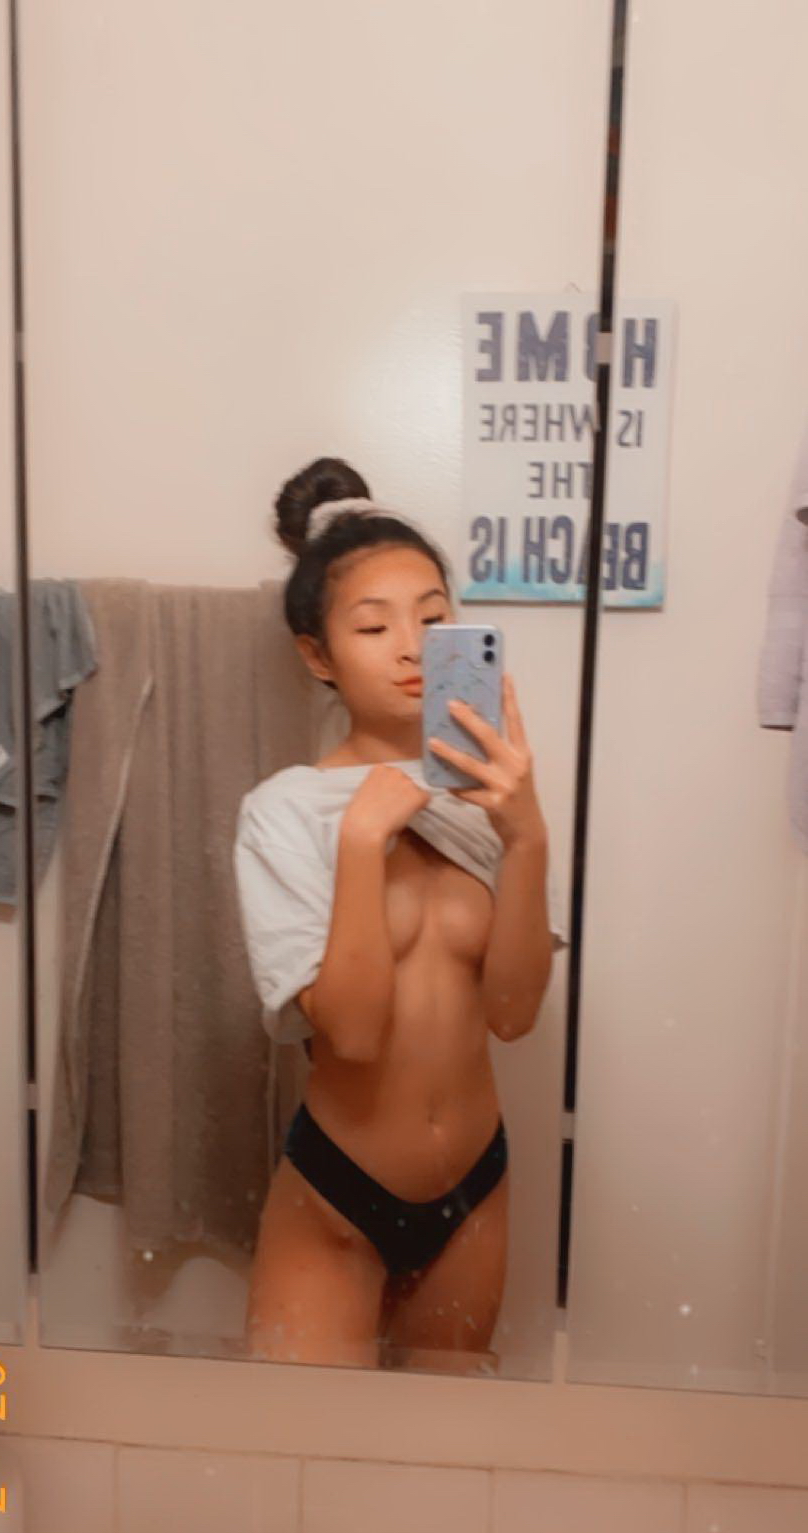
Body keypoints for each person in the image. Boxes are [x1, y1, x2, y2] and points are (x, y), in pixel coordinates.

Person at [233, 457, 561, 1370]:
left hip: (475, 1190)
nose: (412, 648)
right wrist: (358, 841)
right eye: (375, 626)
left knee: (443, 1452)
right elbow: (352, 1032)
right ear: (318, 656)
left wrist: (528, 837)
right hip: (336, 1195)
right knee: (300, 1449)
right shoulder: (285, 812)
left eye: (434, 618)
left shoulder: (494, 801)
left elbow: (513, 1014)